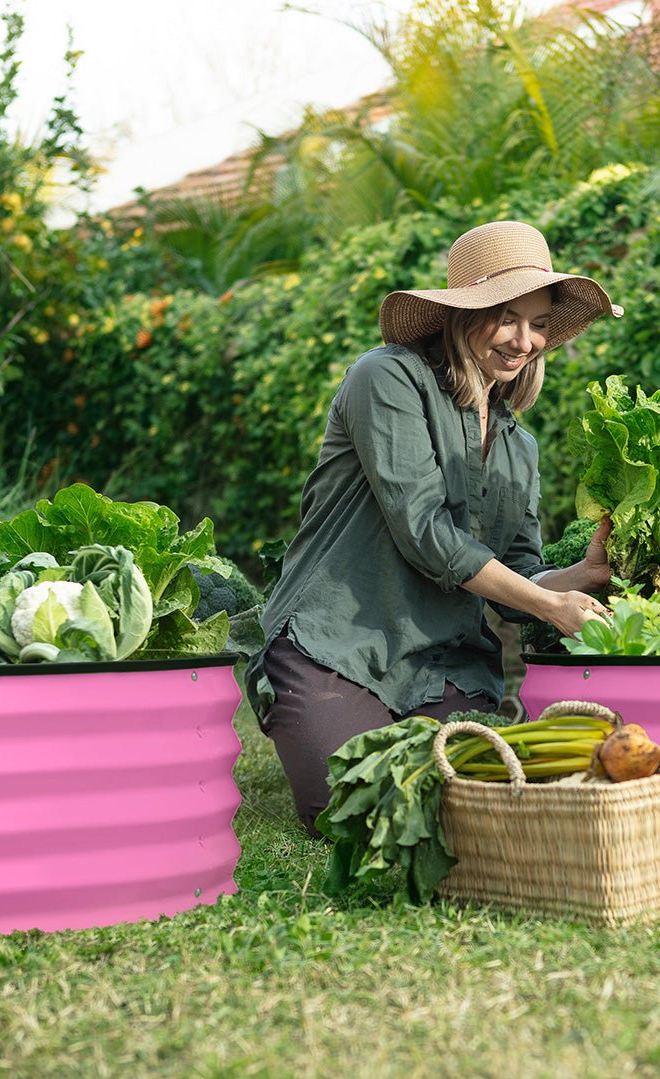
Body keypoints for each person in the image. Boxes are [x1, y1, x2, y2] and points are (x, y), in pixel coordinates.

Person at [245, 219, 623, 834]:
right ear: (461, 313)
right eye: (506, 317)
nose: (523, 341)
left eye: (538, 323)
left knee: (460, 813)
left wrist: (580, 576)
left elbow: (521, 577)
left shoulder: (517, 445)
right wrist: (552, 606)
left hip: (445, 665)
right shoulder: (387, 378)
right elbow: (422, 530)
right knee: (352, 813)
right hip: (339, 643)